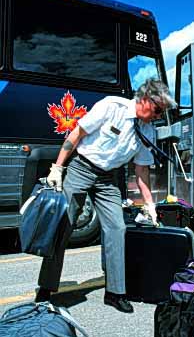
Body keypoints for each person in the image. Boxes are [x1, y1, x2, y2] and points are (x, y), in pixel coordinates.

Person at [35, 78, 176, 313]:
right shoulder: (112, 106)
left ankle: (115, 292)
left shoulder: (148, 131)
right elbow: (77, 133)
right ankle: (47, 288)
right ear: (144, 99)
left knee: (117, 228)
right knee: (63, 226)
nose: (159, 115)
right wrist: (58, 167)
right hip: (82, 167)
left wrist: (149, 205)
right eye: (158, 109)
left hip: (108, 178)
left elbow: (141, 170)